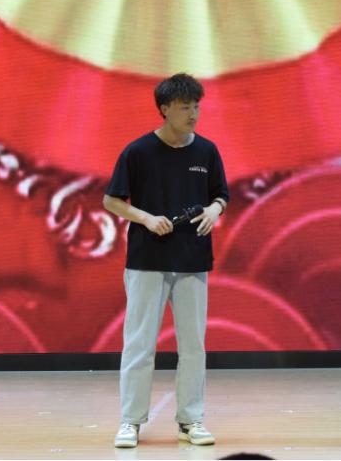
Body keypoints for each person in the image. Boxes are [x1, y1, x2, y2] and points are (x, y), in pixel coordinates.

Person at [103, 73, 229, 448]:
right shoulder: (138, 152)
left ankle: (191, 420)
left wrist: (214, 209)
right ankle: (130, 421)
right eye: (185, 107)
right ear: (164, 109)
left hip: (192, 259)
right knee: (139, 343)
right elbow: (111, 200)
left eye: (196, 106)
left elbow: (221, 195)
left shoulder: (206, 151)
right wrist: (145, 218)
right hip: (147, 260)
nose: (193, 114)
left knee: (193, 345)